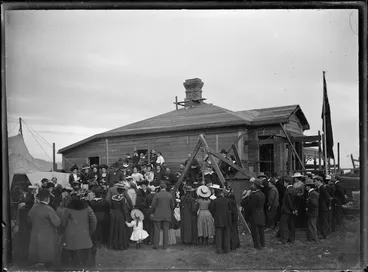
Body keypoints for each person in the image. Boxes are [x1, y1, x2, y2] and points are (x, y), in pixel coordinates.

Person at [60, 193, 97, 269]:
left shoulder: (68, 210)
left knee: (69, 264)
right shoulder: (88, 209)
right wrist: (89, 232)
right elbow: (94, 221)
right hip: (84, 238)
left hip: (70, 240)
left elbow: (63, 223)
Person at [28, 189, 61, 268]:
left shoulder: (33, 208)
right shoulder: (49, 209)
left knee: (37, 257)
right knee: (46, 260)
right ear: (48, 198)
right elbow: (57, 223)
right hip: (47, 238)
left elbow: (29, 221)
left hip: (35, 235)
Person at [150, 181, 175, 250]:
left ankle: (156, 246)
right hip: (167, 214)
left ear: (160, 187)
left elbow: (153, 206)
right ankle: (165, 246)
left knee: (157, 230)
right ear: (166, 187)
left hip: (158, 214)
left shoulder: (157, 195)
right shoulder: (170, 195)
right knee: (166, 231)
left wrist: (152, 212)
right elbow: (172, 205)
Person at [209, 186, 233, 254]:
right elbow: (230, 210)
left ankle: (219, 250)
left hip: (218, 219)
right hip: (227, 219)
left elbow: (211, 209)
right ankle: (226, 249)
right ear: (221, 193)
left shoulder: (214, 201)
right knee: (227, 235)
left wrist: (215, 215)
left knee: (218, 235)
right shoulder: (227, 200)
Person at [244, 179, 266, 250]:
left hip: (254, 214)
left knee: (255, 231)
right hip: (261, 213)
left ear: (255, 186)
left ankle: (257, 245)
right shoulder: (262, 194)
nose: (252, 185)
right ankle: (263, 243)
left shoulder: (254, 195)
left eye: (253, 184)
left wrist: (247, 196)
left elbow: (250, 206)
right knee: (261, 231)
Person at [108, 183, 131, 250]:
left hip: (114, 214)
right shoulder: (122, 199)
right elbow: (124, 209)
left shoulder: (113, 197)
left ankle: (113, 244)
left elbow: (111, 206)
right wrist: (126, 217)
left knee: (114, 229)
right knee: (121, 230)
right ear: (123, 191)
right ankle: (120, 245)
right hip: (120, 215)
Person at [278, 176, 298, 244]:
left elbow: (289, 202)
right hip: (292, 211)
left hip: (287, 210)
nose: (284, 184)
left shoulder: (287, 191)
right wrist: (294, 209)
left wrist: (292, 208)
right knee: (292, 225)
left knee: (283, 224)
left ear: (286, 182)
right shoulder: (294, 189)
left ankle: (284, 239)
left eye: (284, 182)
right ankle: (291, 239)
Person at [304, 178, 319, 243]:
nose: (305, 188)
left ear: (308, 186)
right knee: (311, 225)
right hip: (312, 212)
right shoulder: (311, 193)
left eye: (306, 186)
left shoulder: (313, 194)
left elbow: (314, 204)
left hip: (312, 212)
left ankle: (314, 239)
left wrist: (308, 209)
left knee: (312, 226)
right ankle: (311, 239)